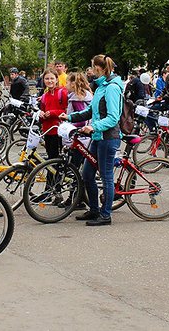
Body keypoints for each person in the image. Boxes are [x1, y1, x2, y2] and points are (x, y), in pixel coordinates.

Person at [61, 55, 123, 226]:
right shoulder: (101, 86)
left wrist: (94, 127)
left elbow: (113, 117)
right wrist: (69, 116)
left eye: (91, 67)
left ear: (98, 68)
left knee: (106, 177)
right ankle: (94, 209)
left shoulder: (112, 87)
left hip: (108, 138)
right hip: (98, 137)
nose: (90, 70)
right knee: (87, 174)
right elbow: (90, 110)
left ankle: (105, 214)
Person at [38, 69, 68, 160]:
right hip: (47, 131)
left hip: (59, 131)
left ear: (56, 79)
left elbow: (67, 111)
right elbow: (42, 115)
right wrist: (41, 114)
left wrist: (52, 113)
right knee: (50, 157)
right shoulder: (44, 96)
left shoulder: (62, 92)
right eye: (47, 78)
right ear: (43, 80)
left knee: (57, 158)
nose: (49, 81)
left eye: (52, 78)